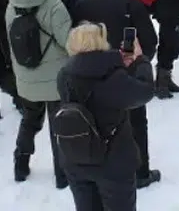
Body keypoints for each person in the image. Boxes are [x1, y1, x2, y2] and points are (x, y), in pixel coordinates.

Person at [71, 0, 162, 189]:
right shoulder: (132, 4)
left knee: (95, 123)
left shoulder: (82, 4)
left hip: (89, 73)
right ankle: (140, 172)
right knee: (136, 124)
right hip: (126, 73)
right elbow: (150, 41)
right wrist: (140, 62)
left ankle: (94, 168)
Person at [57, 22, 155, 211]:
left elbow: (89, 71)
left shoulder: (64, 75)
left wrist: (118, 63)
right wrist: (140, 60)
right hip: (113, 162)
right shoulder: (112, 78)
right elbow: (145, 91)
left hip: (75, 157)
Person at [5, 0, 72, 188]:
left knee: (29, 121)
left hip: (25, 78)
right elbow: (67, 41)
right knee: (59, 126)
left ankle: (20, 164)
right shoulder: (53, 4)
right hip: (54, 80)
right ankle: (62, 175)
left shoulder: (12, 4)